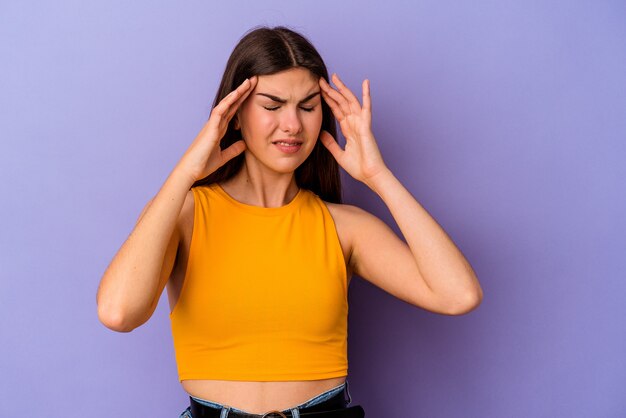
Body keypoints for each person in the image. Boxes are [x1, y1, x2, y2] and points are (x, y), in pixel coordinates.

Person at [96, 26, 483, 418]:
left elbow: (458, 295)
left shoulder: (344, 227)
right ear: (233, 114)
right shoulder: (185, 213)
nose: (293, 125)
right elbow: (119, 312)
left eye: (308, 106)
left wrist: (379, 177)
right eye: (272, 105)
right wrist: (186, 172)